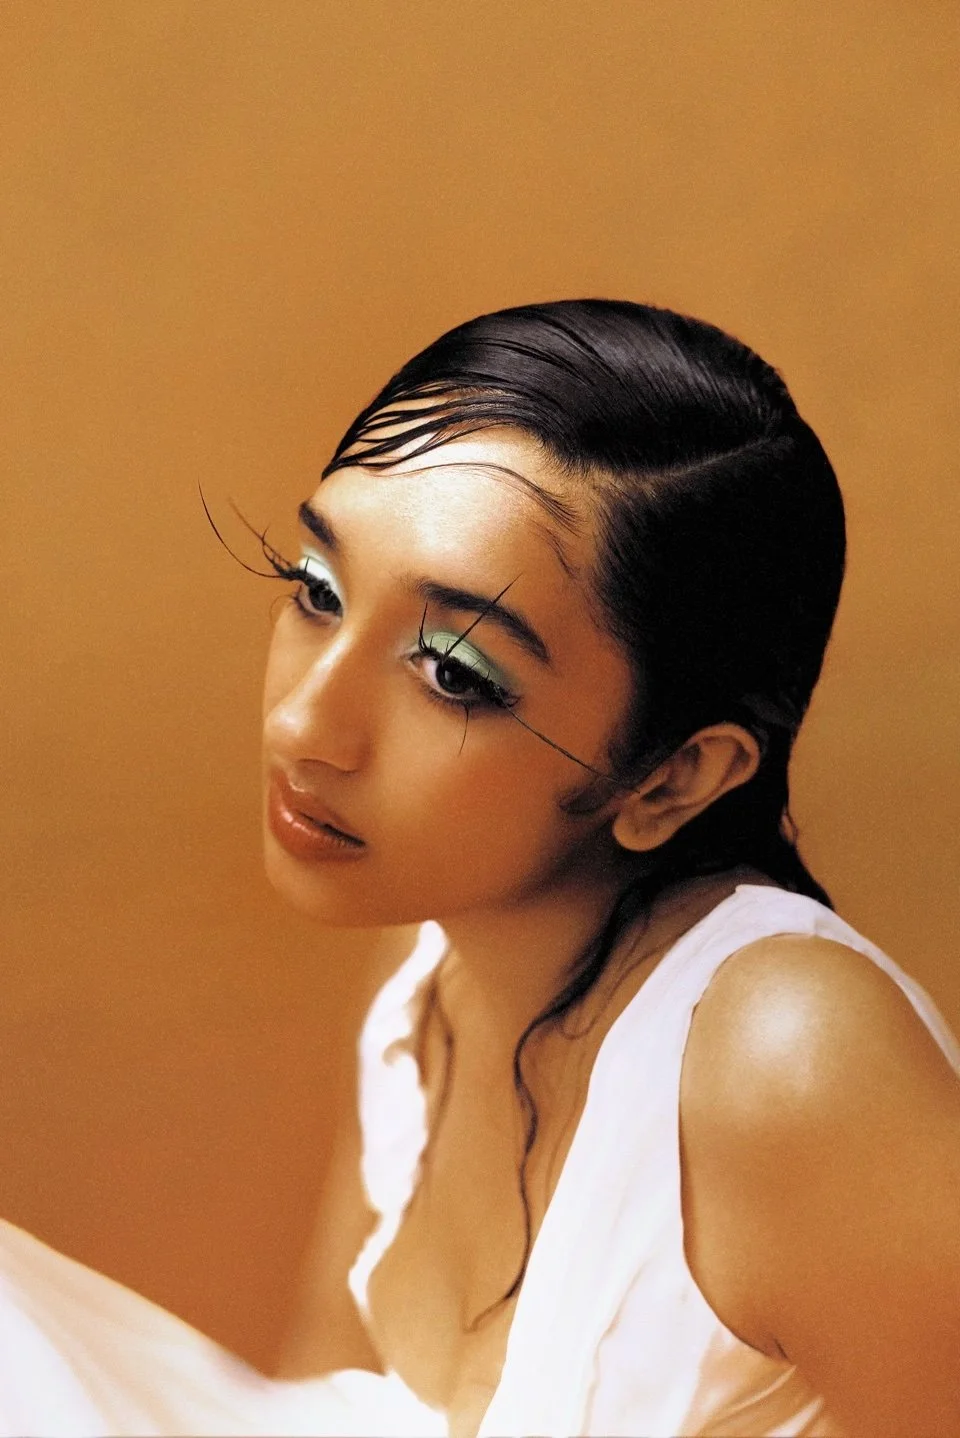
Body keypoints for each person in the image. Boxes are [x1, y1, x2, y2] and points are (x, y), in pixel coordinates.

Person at [2, 299, 958, 1437]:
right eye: (317, 587)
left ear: (674, 777)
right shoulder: (425, 980)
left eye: (455, 672)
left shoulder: (791, 1058)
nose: (308, 723)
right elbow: (314, 1409)